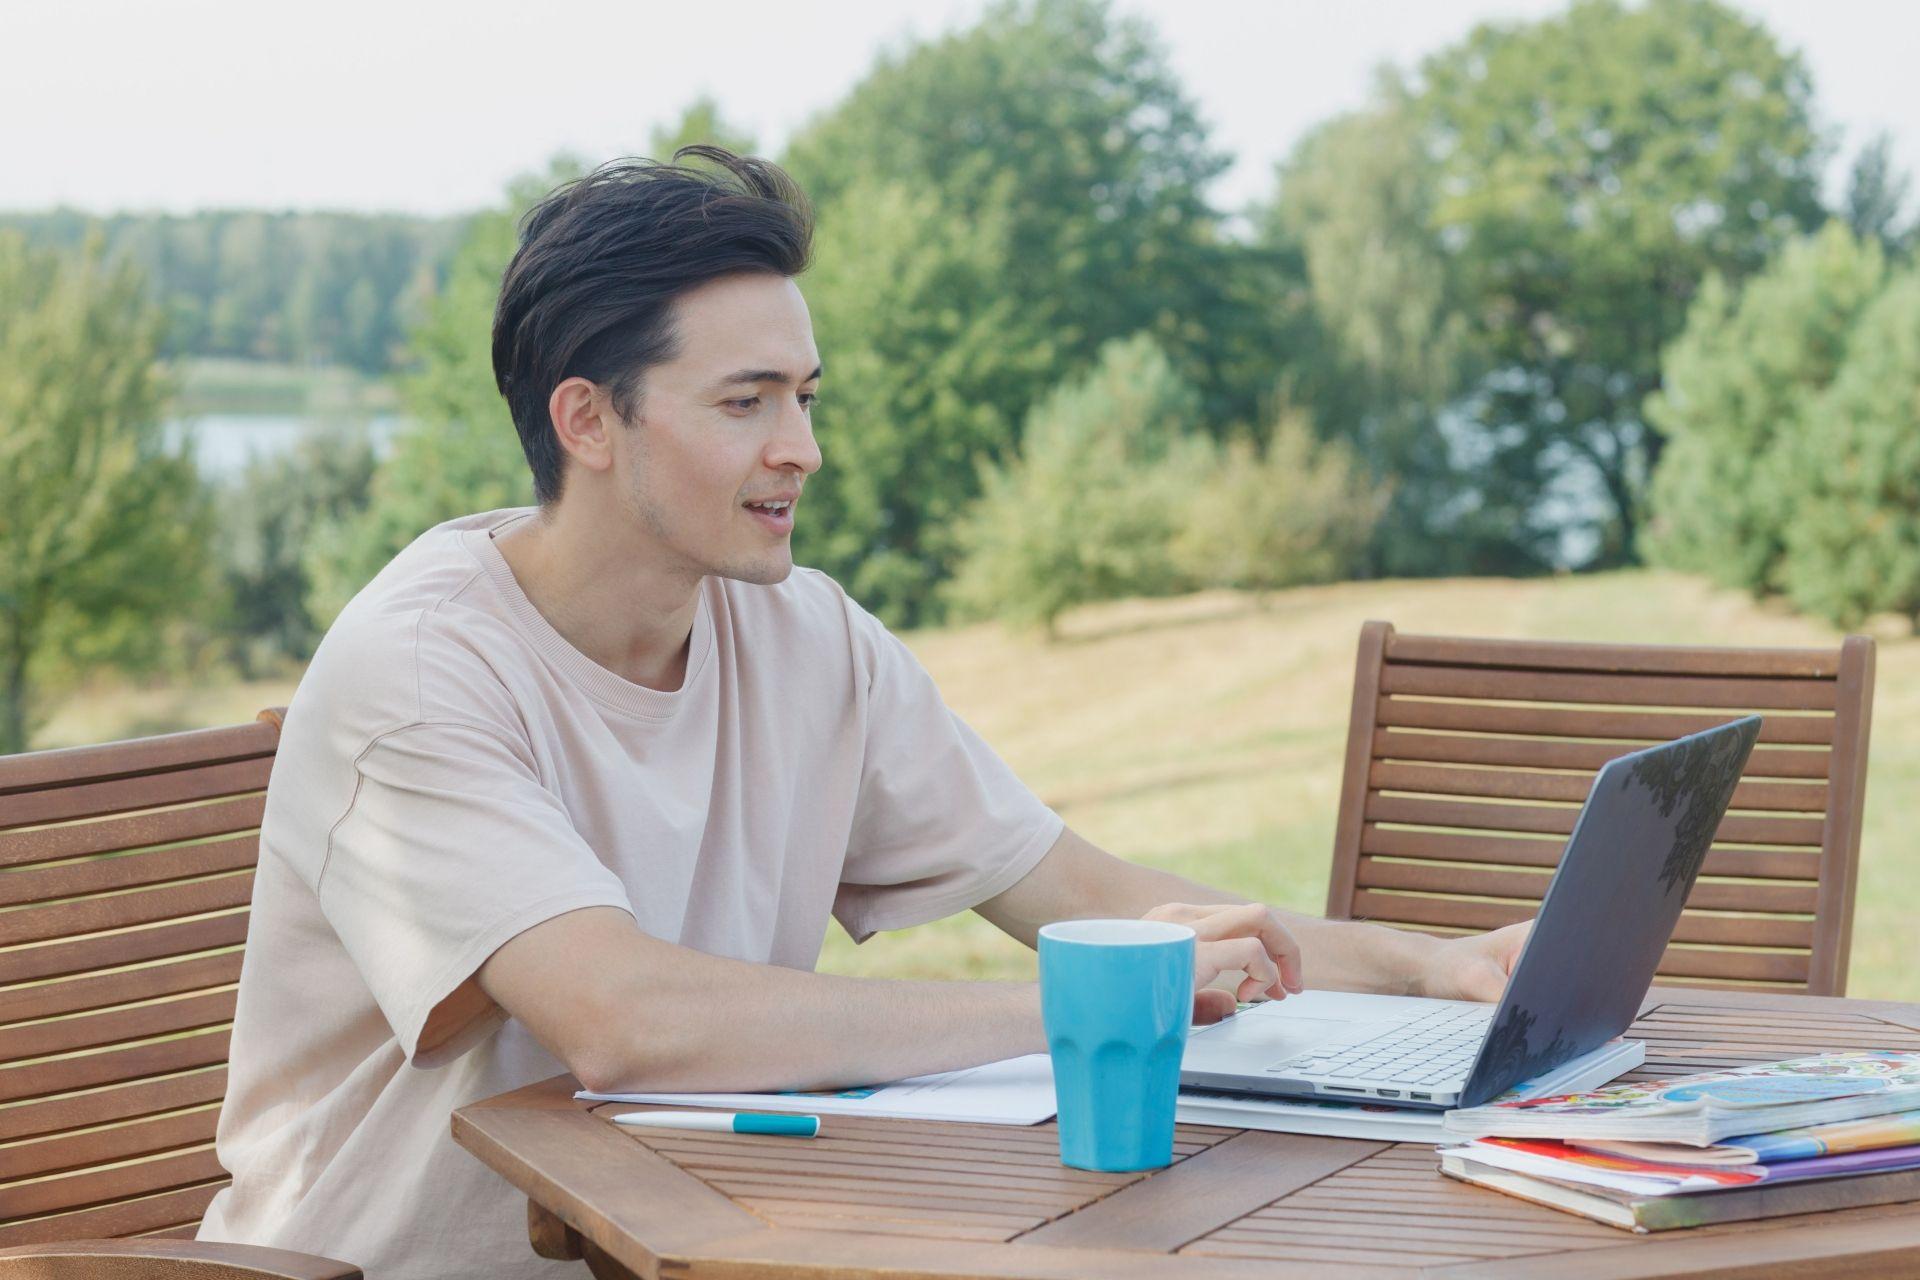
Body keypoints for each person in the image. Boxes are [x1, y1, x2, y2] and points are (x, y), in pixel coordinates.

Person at [196, 148, 1527, 1279]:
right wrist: (1086, 1006)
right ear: (587, 421)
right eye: (746, 401)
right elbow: (625, 1020)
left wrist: (1433, 967)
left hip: (699, 1246)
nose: (804, 449)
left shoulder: (803, 633)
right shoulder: (423, 672)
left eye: (805, 396)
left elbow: (1084, 890)